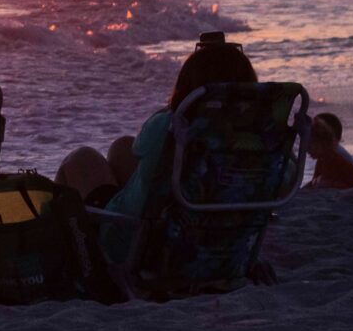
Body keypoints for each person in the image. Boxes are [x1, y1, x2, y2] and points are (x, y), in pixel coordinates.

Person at [55, 31, 260, 261]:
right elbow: (284, 182)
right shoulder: (263, 138)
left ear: (189, 87)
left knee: (82, 158)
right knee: (122, 146)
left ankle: (77, 261)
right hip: (226, 241)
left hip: (145, 243)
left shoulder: (171, 127)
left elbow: (144, 145)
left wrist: (178, 108)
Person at [306, 111, 353, 190]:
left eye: (309, 144)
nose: (306, 149)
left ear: (320, 143)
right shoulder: (323, 159)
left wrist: (330, 184)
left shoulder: (338, 160)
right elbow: (314, 183)